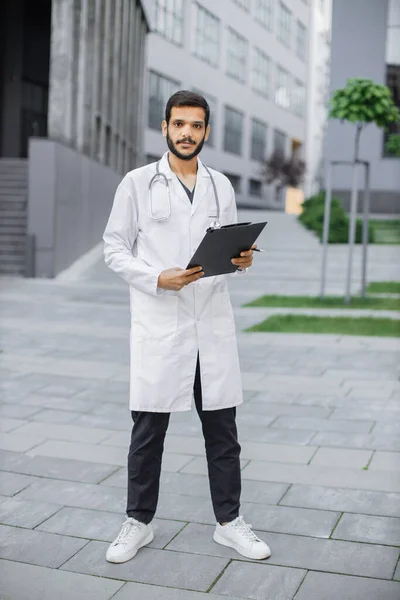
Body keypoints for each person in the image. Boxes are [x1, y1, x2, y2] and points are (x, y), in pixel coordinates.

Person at [103, 90, 271, 564]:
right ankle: (137, 523)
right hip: (162, 323)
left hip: (210, 324)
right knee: (148, 431)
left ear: (206, 132)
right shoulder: (136, 183)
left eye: (196, 126)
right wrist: (157, 277)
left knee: (222, 431)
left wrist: (242, 262)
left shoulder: (222, 186)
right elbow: (113, 248)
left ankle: (230, 523)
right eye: (179, 124)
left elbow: (234, 252)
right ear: (165, 127)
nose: (187, 133)